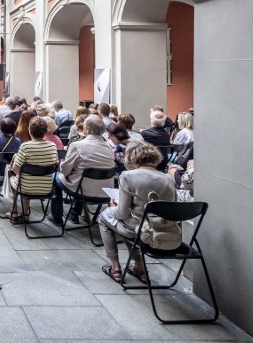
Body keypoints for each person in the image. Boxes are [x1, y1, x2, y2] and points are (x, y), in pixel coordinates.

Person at [99, 141, 176, 283]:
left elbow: (121, 213)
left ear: (132, 158)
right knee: (133, 220)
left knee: (106, 217)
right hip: (162, 230)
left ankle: (115, 267)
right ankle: (139, 266)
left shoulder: (128, 176)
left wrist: (113, 206)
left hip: (138, 229)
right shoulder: (167, 179)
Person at [50, 115, 115, 225]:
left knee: (55, 177)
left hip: (82, 190)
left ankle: (57, 216)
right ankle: (74, 213)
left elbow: (65, 171)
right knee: (80, 177)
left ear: (87, 129)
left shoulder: (77, 145)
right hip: (105, 191)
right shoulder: (109, 146)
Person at [6, 117, 59, 221]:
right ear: (45, 131)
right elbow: (55, 164)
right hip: (46, 187)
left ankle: (14, 211)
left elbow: (16, 170)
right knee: (25, 178)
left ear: (30, 131)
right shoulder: (52, 146)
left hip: (26, 186)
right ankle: (25, 213)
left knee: (10, 174)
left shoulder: (25, 146)